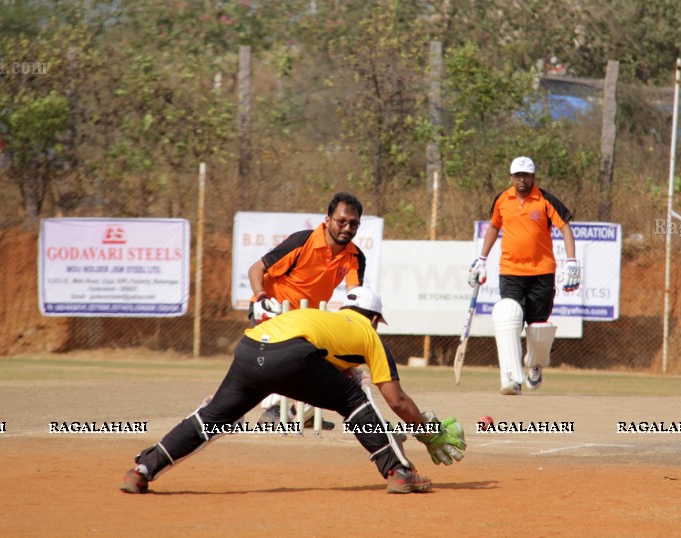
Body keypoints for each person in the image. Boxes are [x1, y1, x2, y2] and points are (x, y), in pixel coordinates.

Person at [120, 287, 466, 495]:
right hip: (291, 357)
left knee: (212, 418)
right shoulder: (370, 335)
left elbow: (325, 361)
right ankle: (399, 472)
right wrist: (428, 432)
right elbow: (397, 400)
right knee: (354, 398)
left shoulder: (320, 317)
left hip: (250, 347)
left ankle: (142, 471)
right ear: (375, 318)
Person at [247, 192, 367, 427]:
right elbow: (256, 269)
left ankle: (301, 412)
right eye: (341, 221)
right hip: (271, 310)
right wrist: (261, 298)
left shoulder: (355, 256)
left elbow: (355, 296)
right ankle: (272, 412)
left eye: (353, 223)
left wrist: (352, 329)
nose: (347, 227)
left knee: (325, 363)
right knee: (288, 360)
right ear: (327, 220)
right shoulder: (302, 241)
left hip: (308, 321)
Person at [469, 156, 579, 395]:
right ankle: (511, 378)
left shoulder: (545, 199)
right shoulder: (502, 199)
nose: (522, 179)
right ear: (511, 177)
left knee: (538, 327)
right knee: (510, 318)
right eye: (517, 175)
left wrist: (571, 261)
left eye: (526, 175)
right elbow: (494, 227)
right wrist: (482, 259)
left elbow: (565, 228)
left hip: (542, 272)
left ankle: (535, 365)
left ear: (533, 176)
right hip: (510, 271)